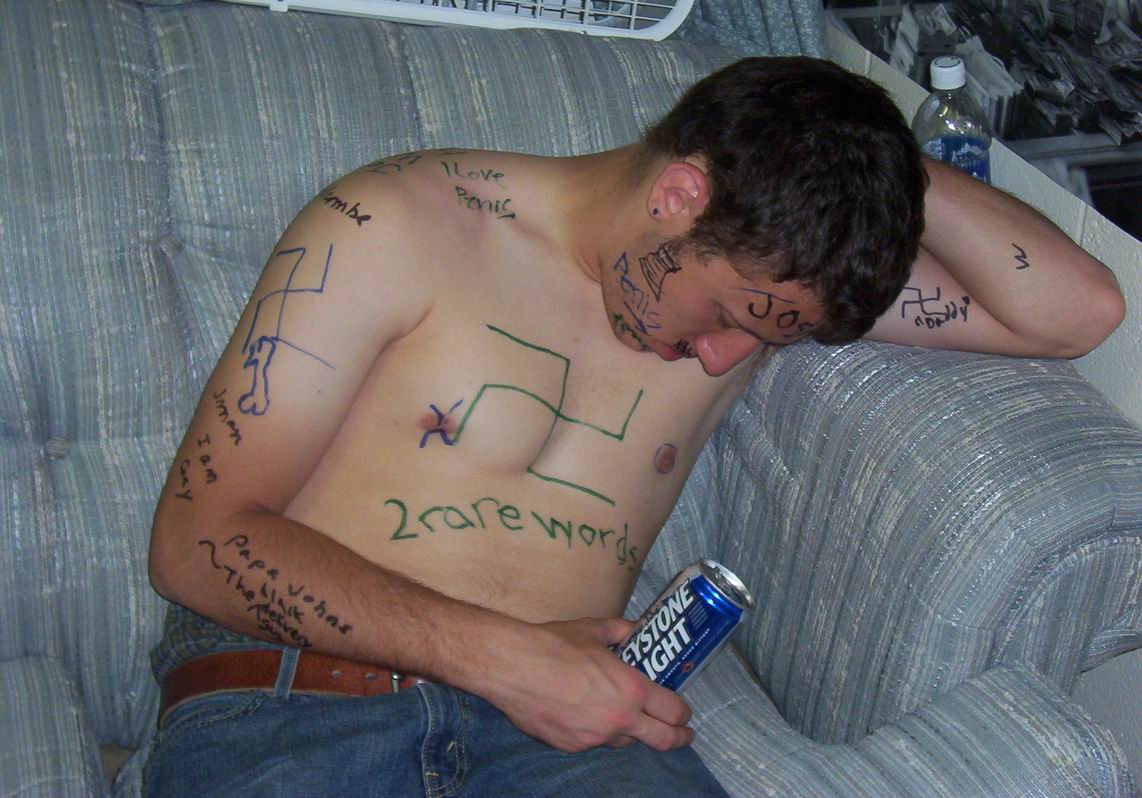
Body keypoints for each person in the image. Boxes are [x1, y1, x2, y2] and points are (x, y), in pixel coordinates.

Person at [143, 56, 1124, 796]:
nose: (724, 359)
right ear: (678, 196)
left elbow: (1077, 310)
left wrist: (864, 162)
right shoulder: (390, 224)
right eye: (728, 315)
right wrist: (503, 657)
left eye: (766, 336)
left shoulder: (769, 268)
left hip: (571, 748)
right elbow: (196, 544)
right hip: (293, 706)